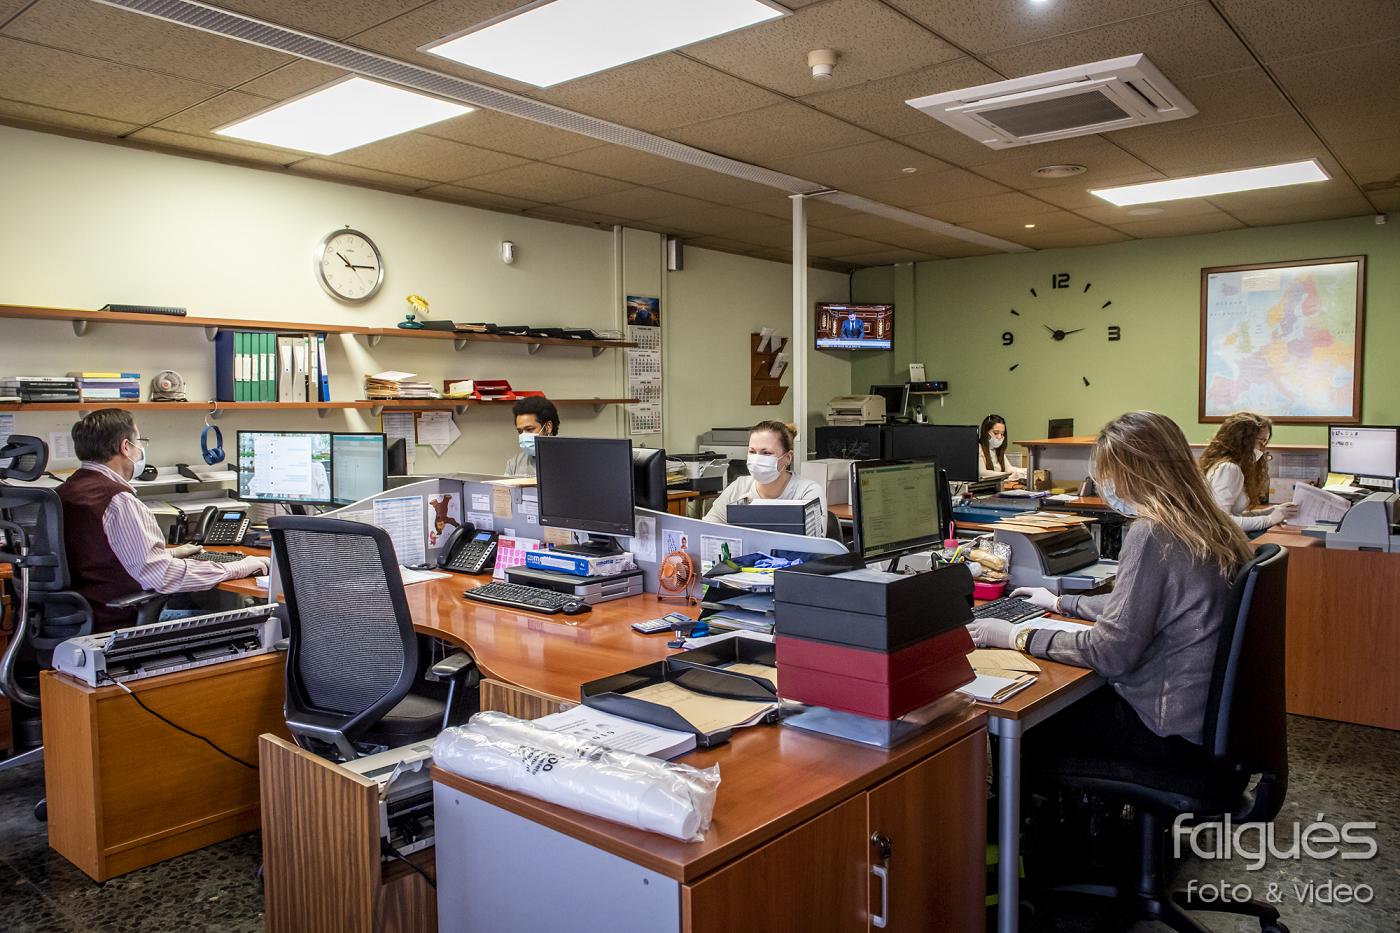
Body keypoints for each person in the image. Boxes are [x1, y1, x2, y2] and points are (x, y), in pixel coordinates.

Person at [968, 410, 1255, 759]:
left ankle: (1017, 796)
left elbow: (1109, 653)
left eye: (1108, 473)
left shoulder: (1153, 532)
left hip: (1163, 730)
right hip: (1204, 724)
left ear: (1133, 473)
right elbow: (1139, 603)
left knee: (1030, 715)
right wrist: (1062, 603)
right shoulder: (1210, 524)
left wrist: (1018, 635)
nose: (1105, 485)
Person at [57, 409, 268, 632]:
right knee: (250, 620)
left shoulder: (65, 491)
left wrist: (171, 553)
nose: (140, 450)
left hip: (78, 619)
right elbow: (163, 576)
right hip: (118, 624)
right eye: (139, 442)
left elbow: (103, 557)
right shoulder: (118, 500)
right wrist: (239, 566)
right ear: (125, 447)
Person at [704, 421, 826, 530]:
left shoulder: (807, 492)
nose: (757, 459)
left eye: (766, 453)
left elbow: (815, 543)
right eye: (752, 452)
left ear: (788, 458)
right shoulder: (739, 487)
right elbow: (706, 530)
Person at [1199, 411, 1297, 534]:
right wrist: (1270, 519)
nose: (1263, 449)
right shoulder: (1228, 469)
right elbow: (1223, 522)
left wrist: (1269, 512)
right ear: (1244, 440)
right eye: (1261, 442)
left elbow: (1235, 514)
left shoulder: (1227, 466)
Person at [505, 396, 559, 477]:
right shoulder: (514, 464)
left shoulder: (570, 460)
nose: (524, 435)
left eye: (529, 429)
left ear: (548, 427)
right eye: (520, 431)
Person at [978, 414, 1027, 485]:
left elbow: (1009, 469)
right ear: (985, 432)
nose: (999, 437)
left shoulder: (997, 449)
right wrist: (1008, 475)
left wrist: (1027, 471)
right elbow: (982, 473)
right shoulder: (978, 448)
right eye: (996, 433)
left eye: (1002, 434)